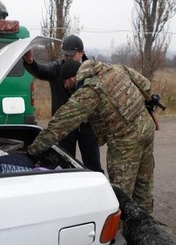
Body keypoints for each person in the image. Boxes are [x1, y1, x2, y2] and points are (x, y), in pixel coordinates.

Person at [28, 59, 156, 212]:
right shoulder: (116, 68)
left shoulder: (90, 91)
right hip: (147, 129)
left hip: (125, 142)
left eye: (65, 82)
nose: (64, 86)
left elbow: (61, 124)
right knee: (144, 185)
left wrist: (33, 150)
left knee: (121, 193)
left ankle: (120, 230)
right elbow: (146, 85)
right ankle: (147, 224)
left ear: (72, 78)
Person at [22, 35, 103, 173]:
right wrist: (31, 62)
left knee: (93, 164)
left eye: (72, 55)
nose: (68, 58)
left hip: (88, 127)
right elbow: (42, 70)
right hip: (65, 127)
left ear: (82, 53)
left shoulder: (92, 71)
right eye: (66, 55)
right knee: (65, 163)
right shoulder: (58, 68)